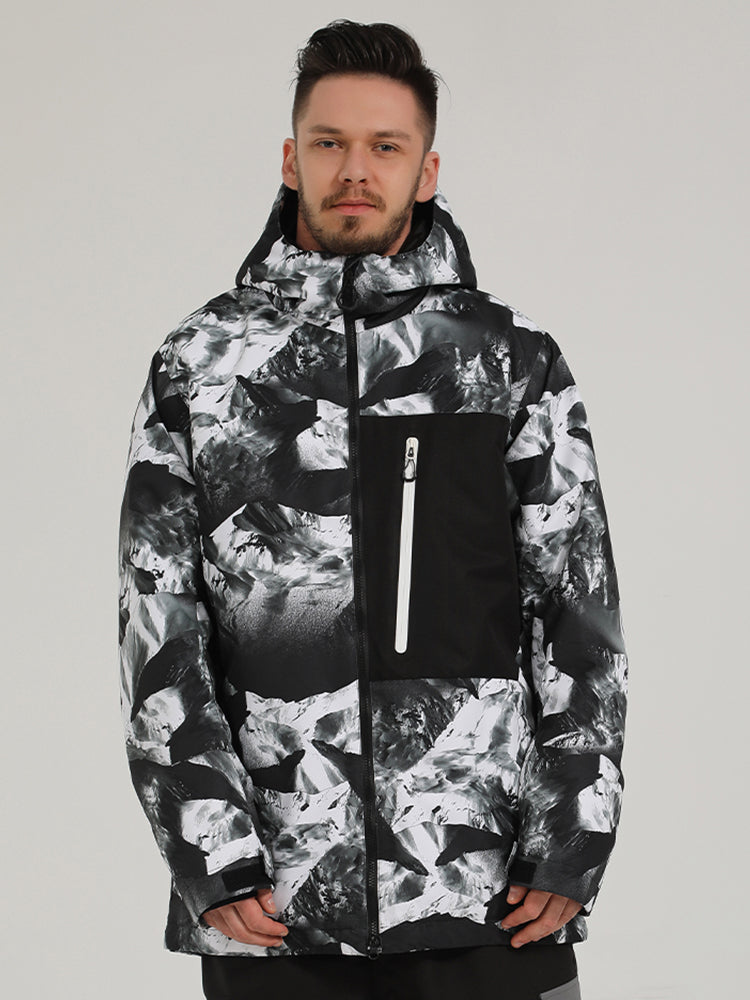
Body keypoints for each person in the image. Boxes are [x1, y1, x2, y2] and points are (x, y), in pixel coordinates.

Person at [118, 19, 627, 1000]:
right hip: (276, 907)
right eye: (330, 142)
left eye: (385, 146)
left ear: (425, 171)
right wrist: (209, 847)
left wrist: (572, 833)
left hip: (486, 895)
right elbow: (157, 623)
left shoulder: (509, 361)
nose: (356, 169)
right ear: (291, 160)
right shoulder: (201, 366)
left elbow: (577, 610)